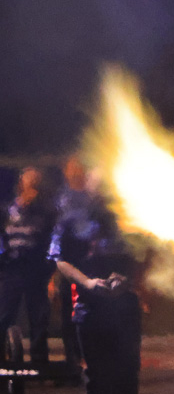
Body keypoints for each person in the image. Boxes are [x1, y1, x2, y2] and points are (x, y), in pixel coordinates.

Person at [49, 169, 146, 394]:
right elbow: (59, 259)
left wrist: (126, 280)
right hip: (90, 306)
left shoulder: (130, 219)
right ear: (89, 191)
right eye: (98, 188)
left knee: (128, 366)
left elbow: (143, 255)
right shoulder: (71, 220)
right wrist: (88, 283)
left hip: (124, 305)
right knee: (95, 370)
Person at [0, 167, 57, 367]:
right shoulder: (8, 210)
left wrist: (51, 271)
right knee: (4, 314)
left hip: (36, 269)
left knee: (38, 317)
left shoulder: (47, 211)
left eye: (35, 181)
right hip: (12, 268)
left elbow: (52, 240)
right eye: (28, 180)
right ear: (21, 183)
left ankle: (39, 363)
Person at [53, 156, 89, 376]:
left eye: (79, 168)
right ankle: (71, 364)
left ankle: (90, 362)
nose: (75, 172)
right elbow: (55, 234)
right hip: (67, 264)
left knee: (89, 314)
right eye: (71, 169)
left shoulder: (93, 197)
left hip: (90, 264)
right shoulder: (61, 199)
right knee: (69, 315)